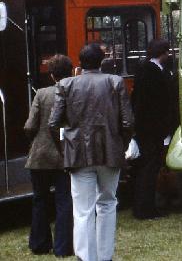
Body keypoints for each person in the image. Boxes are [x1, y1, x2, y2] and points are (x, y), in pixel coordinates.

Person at [49, 43, 134, 261]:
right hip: (110, 151)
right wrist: (121, 145)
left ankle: (86, 257)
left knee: (83, 209)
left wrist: (64, 149)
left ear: (80, 62)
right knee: (107, 203)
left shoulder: (66, 85)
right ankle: (105, 256)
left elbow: (54, 123)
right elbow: (127, 121)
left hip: (77, 153)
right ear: (102, 60)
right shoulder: (115, 82)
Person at [24, 54, 74, 257]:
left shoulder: (42, 94)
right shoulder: (73, 91)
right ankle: (63, 247)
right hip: (64, 155)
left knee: (40, 200)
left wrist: (34, 140)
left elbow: (30, 125)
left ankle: (39, 244)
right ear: (70, 71)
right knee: (64, 201)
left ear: (52, 75)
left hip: (40, 154)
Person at [130, 38, 178, 219]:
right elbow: (159, 103)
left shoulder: (143, 70)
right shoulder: (154, 72)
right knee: (149, 169)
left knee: (145, 168)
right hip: (153, 128)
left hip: (145, 128)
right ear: (163, 53)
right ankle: (145, 208)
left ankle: (143, 206)